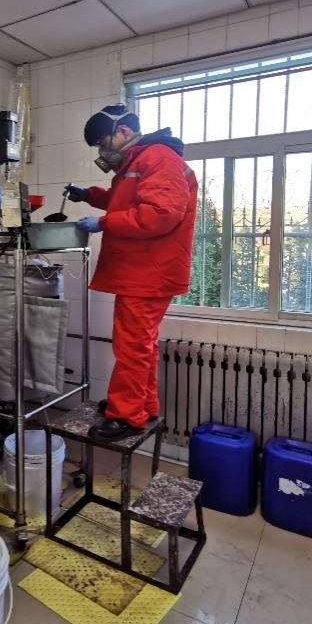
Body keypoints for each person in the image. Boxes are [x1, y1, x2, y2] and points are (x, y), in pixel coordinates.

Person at [67, 103, 197, 441]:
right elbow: (123, 199)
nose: (102, 151)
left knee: (131, 346)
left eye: (102, 142)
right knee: (141, 345)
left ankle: (126, 415)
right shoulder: (140, 161)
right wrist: (89, 195)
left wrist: (104, 222)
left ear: (123, 131)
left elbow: (160, 213)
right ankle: (143, 404)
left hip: (148, 272)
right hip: (145, 270)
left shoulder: (157, 158)